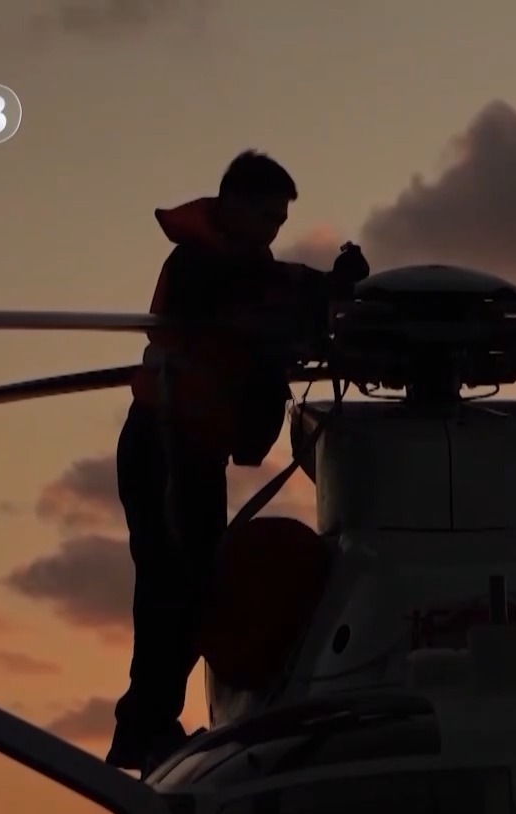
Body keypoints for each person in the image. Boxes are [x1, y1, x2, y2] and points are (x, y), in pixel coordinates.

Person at [110, 150, 370, 772]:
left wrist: (332, 289)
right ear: (234, 205)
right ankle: (144, 727)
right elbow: (253, 303)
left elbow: (271, 291)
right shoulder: (197, 267)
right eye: (270, 218)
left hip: (193, 453)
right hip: (163, 449)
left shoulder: (244, 267)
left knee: (190, 585)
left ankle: (148, 724)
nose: (274, 232)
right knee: (174, 587)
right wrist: (321, 293)